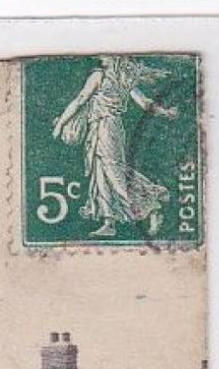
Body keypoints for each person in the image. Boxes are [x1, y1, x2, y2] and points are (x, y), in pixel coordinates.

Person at [51, 55, 179, 238]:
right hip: (109, 127)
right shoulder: (124, 79)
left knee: (112, 172)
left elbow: (80, 100)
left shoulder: (99, 76)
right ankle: (109, 222)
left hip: (105, 127)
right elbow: (145, 103)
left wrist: (60, 124)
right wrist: (165, 112)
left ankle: (151, 208)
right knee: (101, 173)